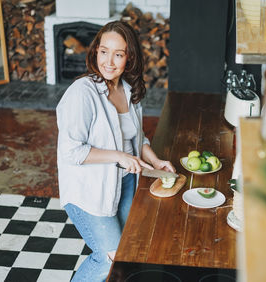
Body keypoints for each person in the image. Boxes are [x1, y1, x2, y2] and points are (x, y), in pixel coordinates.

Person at [56, 20, 175, 282]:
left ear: (129, 58)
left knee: (124, 254)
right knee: (108, 257)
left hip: (124, 184)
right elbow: (71, 151)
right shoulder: (82, 93)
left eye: (118, 54)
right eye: (103, 51)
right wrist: (119, 157)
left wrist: (155, 160)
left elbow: (136, 137)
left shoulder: (129, 90)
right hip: (89, 193)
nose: (109, 61)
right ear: (95, 51)